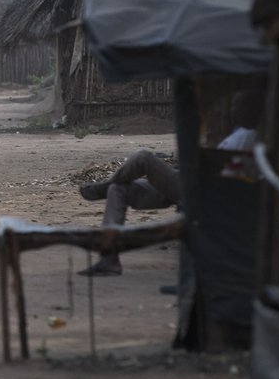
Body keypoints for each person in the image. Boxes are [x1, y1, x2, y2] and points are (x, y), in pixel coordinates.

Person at [77, 90, 263, 276]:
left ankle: (105, 185)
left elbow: (232, 172)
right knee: (118, 190)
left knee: (143, 157)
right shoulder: (238, 135)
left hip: (201, 188)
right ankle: (109, 259)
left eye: (238, 106)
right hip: (190, 182)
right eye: (233, 105)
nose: (233, 110)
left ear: (251, 111)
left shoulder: (247, 137)